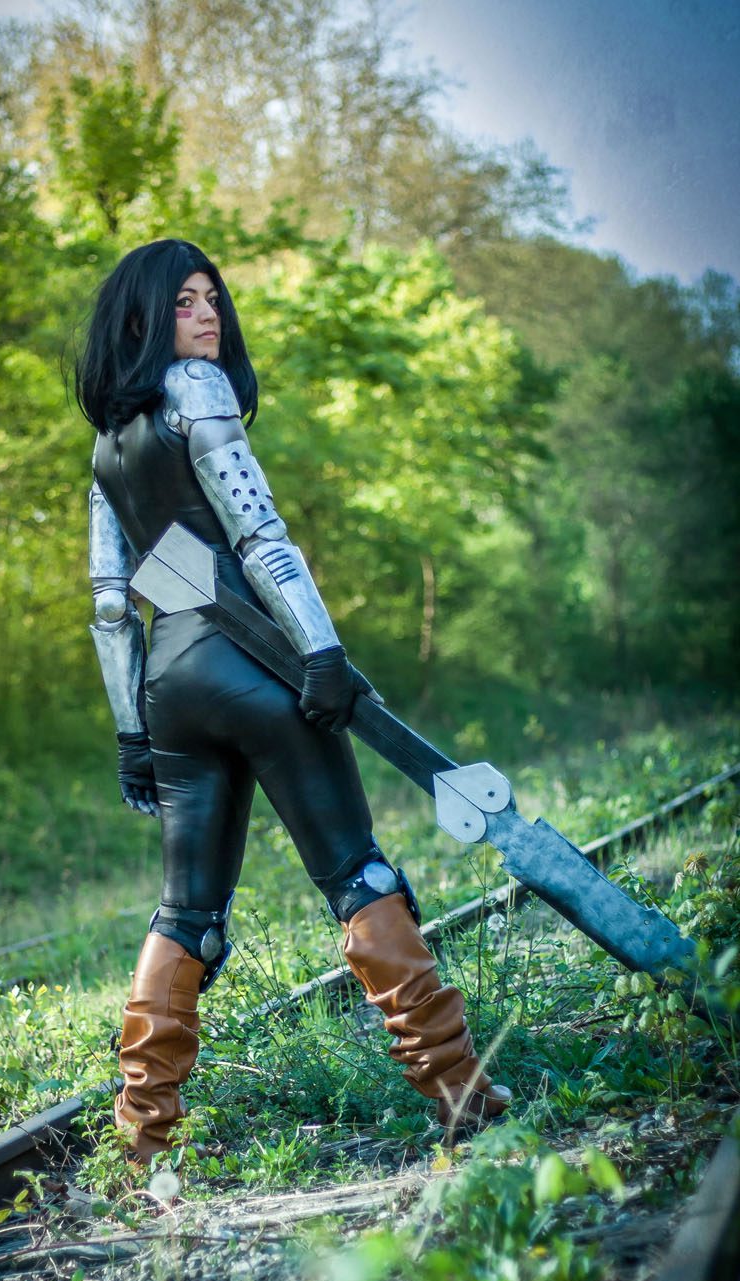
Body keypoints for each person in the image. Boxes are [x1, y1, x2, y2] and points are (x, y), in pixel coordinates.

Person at [76, 239, 509, 1163]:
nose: (208, 315)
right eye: (185, 302)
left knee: (186, 913)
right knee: (358, 875)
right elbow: (260, 536)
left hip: (170, 688)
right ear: (143, 318)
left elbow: (113, 607)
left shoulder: (107, 446)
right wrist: (323, 651)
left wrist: (130, 734)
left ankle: (142, 1140)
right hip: (255, 664)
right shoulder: (197, 389)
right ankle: (460, 1092)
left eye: (212, 298)